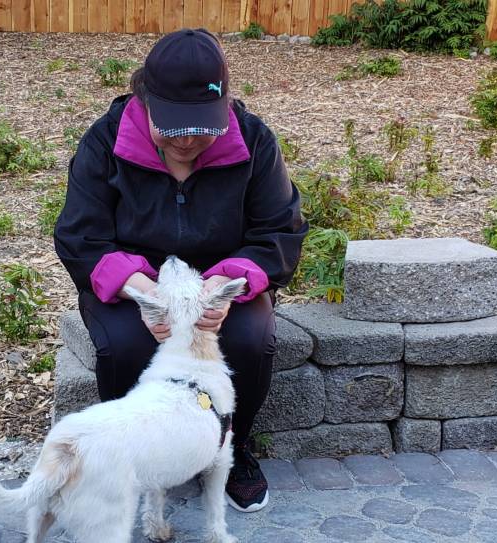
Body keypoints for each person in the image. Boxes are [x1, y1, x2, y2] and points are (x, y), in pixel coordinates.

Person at [54, 28, 308, 513]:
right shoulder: (105, 141)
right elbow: (80, 237)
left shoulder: (254, 140)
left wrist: (227, 283)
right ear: (145, 101)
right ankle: (128, 453)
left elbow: (280, 231)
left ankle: (228, 446)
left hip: (222, 281)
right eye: (172, 126)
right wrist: (141, 291)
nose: (188, 140)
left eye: (203, 126)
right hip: (132, 284)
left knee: (250, 339)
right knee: (125, 343)